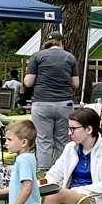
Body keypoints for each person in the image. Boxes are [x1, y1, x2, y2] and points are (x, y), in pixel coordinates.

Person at [24, 28, 79, 167]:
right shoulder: (70, 57)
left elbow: (28, 82)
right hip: (64, 104)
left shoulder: (36, 56)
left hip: (42, 103)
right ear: (61, 43)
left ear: (47, 43)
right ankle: (63, 173)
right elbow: (75, 84)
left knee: (43, 140)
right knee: (63, 140)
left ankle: (45, 174)